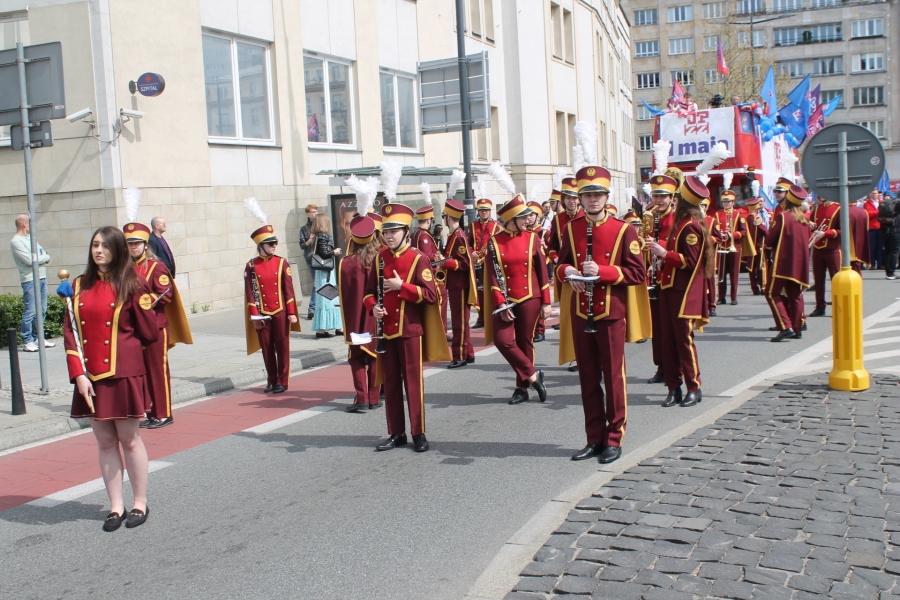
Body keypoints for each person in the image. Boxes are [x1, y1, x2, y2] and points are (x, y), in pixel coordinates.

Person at [64, 226, 159, 531]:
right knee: (105, 442)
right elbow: (71, 334)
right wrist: (78, 374)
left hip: (123, 374)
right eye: (95, 245)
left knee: (129, 440)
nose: (99, 251)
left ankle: (139, 502)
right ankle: (116, 506)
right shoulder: (78, 286)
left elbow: (149, 332)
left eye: (105, 246)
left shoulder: (133, 283)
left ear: (117, 249)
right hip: (90, 377)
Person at [557, 166, 647, 464]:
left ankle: (613, 437)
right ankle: (593, 438)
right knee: (587, 378)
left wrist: (603, 272)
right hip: (581, 311)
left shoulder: (624, 229)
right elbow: (560, 264)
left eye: (598, 194)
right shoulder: (572, 228)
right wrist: (569, 272)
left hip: (610, 313)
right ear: (580, 199)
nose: (593, 199)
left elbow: (637, 273)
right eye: (587, 195)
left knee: (613, 378)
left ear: (607, 197)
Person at [364, 203, 449, 452]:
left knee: (413, 384)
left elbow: (431, 295)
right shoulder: (380, 258)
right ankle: (396, 433)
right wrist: (373, 307)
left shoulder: (419, 258)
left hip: (410, 330)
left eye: (394, 231)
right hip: (386, 331)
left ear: (405, 231)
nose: (389, 236)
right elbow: (368, 292)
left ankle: (418, 433)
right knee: (390, 384)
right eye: (386, 232)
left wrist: (402, 287)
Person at [646, 177, 714, 410]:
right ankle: (673, 388)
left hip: (683, 292)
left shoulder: (691, 226)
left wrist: (665, 254)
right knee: (667, 341)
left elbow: (690, 262)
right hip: (668, 288)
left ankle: (694, 387)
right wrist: (661, 261)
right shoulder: (681, 222)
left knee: (684, 341)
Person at [483, 195, 551, 405]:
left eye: (528, 217)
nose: (528, 220)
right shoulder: (494, 242)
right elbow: (492, 276)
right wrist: (501, 303)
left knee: (525, 342)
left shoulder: (532, 238)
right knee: (502, 341)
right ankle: (533, 375)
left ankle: (521, 388)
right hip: (506, 298)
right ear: (511, 219)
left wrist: (546, 301)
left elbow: (542, 271)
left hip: (530, 296)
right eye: (523, 218)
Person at [123, 222, 192, 429]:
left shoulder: (156, 266)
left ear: (145, 245)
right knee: (141, 372)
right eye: (130, 244)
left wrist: (142, 302)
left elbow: (166, 294)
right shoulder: (125, 269)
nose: (133, 247)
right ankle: (151, 412)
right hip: (133, 328)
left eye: (137, 243)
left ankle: (163, 414)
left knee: (157, 371)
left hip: (155, 326)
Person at [243, 224, 301, 394]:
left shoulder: (282, 262)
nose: (274, 245)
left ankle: (282, 381)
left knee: (282, 347)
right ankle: (272, 380)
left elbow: (288, 290)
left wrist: (291, 312)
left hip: (280, 311)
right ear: (261, 246)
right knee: (267, 348)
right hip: (262, 312)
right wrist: (255, 316)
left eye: (275, 242)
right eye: (270, 243)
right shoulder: (251, 265)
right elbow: (250, 293)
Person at [339, 216, 381, 412]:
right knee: (375, 356)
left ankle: (361, 398)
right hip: (375, 316)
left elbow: (344, 294)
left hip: (355, 317)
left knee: (356, 358)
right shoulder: (380, 260)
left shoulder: (345, 263)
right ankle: (374, 398)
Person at [767, 186, 811, 341]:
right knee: (795, 295)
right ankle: (798, 329)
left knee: (772, 293)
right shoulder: (805, 219)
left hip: (783, 262)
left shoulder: (783, 217)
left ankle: (786, 326)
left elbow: (769, 240)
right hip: (799, 264)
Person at [645, 175, 678, 383]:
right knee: (656, 328)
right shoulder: (650, 218)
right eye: (655, 196)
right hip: (653, 278)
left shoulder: (677, 219)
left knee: (670, 328)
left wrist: (660, 246)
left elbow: (680, 247)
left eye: (663, 196)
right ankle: (661, 367)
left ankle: (674, 368)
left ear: (671, 198)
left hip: (671, 279)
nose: (658, 200)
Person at [10, 214, 55, 352]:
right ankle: (27, 340)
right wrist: (44, 257)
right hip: (29, 279)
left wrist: (42, 256)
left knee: (42, 309)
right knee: (30, 310)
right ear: (24, 224)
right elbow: (30, 260)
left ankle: (39, 338)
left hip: (41, 277)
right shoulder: (16, 241)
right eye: (29, 223)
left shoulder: (31, 238)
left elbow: (42, 253)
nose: (31, 226)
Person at [441, 199, 477, 368]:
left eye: (444, 217)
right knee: (461, 321)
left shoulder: (458, 237)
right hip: (456, 285)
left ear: (448, 217)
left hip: (459, 285)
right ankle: (468, 353)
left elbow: (464, 264)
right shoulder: (456, 235)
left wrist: (445, 263)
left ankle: (459, 356)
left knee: (459, 322)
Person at [713, 190, 752, 306]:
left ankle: (734, 297)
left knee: (734, 273)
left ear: (733, 202)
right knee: (721, 274)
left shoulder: (738, 214)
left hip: (735, 248)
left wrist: (731, 235)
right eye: (724, 202)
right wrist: (719, 235)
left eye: (728, 201)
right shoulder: (717, 214)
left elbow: (744, 232)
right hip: (722, 247)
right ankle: (721, 297)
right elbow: (714, 229)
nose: (726, 203)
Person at [310, 215, 343, 338]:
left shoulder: (316, 236)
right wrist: (335, 252)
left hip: (321, 271)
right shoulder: (323, 236)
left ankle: (324, 328)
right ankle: (335, 328)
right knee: (330, 297)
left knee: (325, 297)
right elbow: (324, 253)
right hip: (326, 272)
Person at [469, 198, 500, 328]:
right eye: (481, 210)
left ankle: (494, 316)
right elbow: (468, 243)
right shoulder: (473, 225)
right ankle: (481, 318)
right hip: (477, 263)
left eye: (486, 210)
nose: (484, 212)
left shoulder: (497, 226)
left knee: (492, 289)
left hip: (490, 262)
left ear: (490, 211)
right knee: (479, 292)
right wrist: (472, 252)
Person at [809, 194, 841, 316]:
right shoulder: (817, 208)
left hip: (832, 248)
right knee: (818, 280)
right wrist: (811, 225)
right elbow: (813, 226)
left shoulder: (839, 208)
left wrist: (826, 233)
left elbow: (843, 230)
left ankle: (839, 306)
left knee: (836, 279)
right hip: (818, 248)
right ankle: (820, 306)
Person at [743, 197, 768, 295]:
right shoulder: (757, 219)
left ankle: (754, 288)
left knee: (751, 268)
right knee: (762, 267)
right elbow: (766, 232)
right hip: (759, 247)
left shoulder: (746, 219)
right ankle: (763, 287)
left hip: (749, 248)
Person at [298, 204, 319, 320]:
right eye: (313, 212)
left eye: (316, 211)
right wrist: (309, 241)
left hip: (323, 258)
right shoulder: (304, 228)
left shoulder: (321, 225)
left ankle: (316, 308)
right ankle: (312, 308)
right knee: (316, 283)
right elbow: (302, 245)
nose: (315, 213)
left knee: (322, 283)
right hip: (311, 258)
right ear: (307, 214)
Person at [846, 201, 871, 274]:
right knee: (857, 267)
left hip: (847, 244)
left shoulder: (842, 211)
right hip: (860, 241)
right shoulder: (863, 211)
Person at [881, 195, 900, 279]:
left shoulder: (890, 202)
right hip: (895, 230)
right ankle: (891, 273)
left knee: (887, 251)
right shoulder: (898, 203)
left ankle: (888, 272)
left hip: (885, 229)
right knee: (894, 252)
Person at [864, 191, 882, 269]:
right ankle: (872, 264)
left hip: (881, 227)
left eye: (876, 193)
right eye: (873, 193)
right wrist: (879, 212)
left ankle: (880, 264)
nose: (874, 195)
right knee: (872, 247)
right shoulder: (867, 203)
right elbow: (868, 214)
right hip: (872, 228)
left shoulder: (882, 202)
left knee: (880, 247)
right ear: (870, 194)